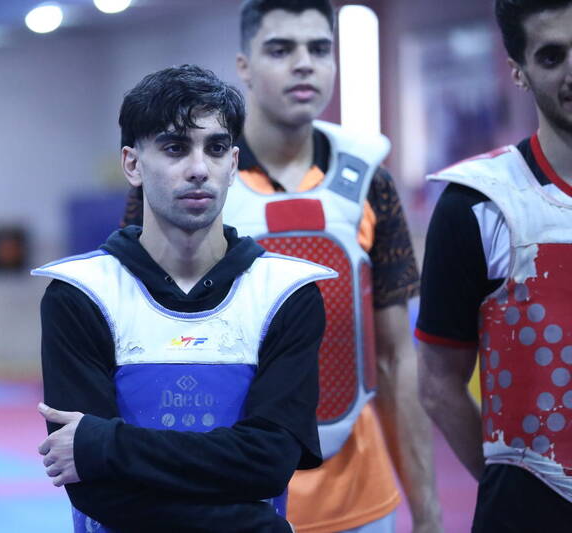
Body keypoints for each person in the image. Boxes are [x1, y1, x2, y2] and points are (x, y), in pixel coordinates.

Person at [121, 2, 441, 531]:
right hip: (226, 496)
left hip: (358, 498)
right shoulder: (188, 180)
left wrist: (427, 512)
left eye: (319, 49)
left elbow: (395, 359)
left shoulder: (370, 183)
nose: (303, 64)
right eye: (280, 49)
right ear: (243, 66)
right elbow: (144, 341)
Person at [36, 64, 336, 533]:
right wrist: (257, 524)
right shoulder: (80, 295)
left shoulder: (284, 295)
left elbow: (271, 462)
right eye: (175, 148)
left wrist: (105, 444)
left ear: (233, 164)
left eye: (215, 148)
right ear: (132, 164)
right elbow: (96, 489)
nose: (199, 169)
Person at [417, 0, 572, 530]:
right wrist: (510, 485)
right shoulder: (478, 205)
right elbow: (437, 383)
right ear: (518, 72)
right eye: (552, 56)